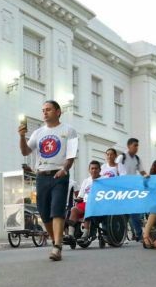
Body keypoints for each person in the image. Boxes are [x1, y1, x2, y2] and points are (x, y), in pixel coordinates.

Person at [18, 100, 78, 261]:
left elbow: (71, 156)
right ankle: (55, 240)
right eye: (43, 110)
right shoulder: (38, 133)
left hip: (60, 175)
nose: (45, 112)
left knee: (57, 209)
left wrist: (64, 169)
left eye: (48, 110)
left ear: (58, 112)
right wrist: (22, 136)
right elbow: (25, 151)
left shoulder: (69, 131)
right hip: (42, 175)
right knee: (44, 213)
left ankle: (57, 247)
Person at [116, 137, 147, 241]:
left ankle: (138, 234)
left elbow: (142, 171)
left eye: (137, 146)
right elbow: (119, 173)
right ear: (129, 146)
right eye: (135, 145)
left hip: (133, 189)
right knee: (123, 213)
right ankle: (120, 235)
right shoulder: (122, 158)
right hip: (123, 188)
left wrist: (147, 177)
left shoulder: (137, 159)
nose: (137, 148)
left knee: (134, 213)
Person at [67, 160, 101, 244]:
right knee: (74, 209)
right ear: (89, 170)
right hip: (85, 203)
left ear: (100, 170)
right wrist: (78, 199)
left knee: (88, 208)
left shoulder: (104, 180)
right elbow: (80, 195)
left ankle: (85, 235)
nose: (94, 170)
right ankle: (70, 235)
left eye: (96, 168)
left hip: (98, 204)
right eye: (92, 168)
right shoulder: (86, 181)